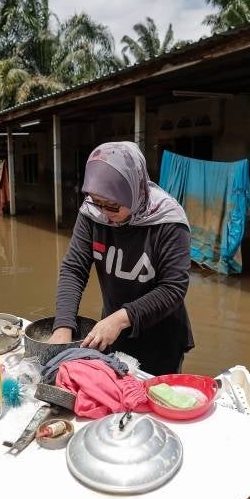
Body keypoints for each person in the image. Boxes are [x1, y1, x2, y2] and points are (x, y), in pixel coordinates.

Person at [50, 141, 193, 375]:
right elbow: (74, 269)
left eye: (113, 206)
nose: (104, 212)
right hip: (111, 331)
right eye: (97, 202)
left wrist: (121, 319)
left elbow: (173, 287)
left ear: (133, 192)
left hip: (161, 336)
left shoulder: (168, 220)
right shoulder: (92, 213)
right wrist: (64, 325)